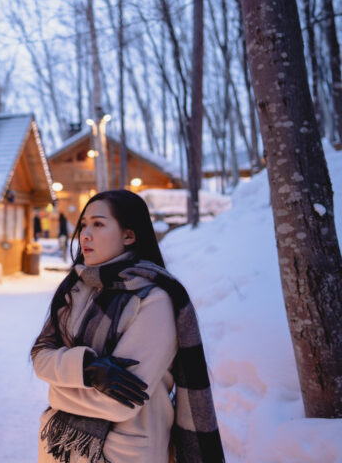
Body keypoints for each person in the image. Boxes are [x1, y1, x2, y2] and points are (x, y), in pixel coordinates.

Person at [31, 190, 223, 463]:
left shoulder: (154, 300)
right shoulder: (75, 288)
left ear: (129, 236)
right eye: (84, 224)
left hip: (121, 452)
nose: (85, 234)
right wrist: (85, 369)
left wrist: (57, 387)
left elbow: (119, 403)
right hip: (61, 448)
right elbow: (40, 357)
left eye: (98, 224)